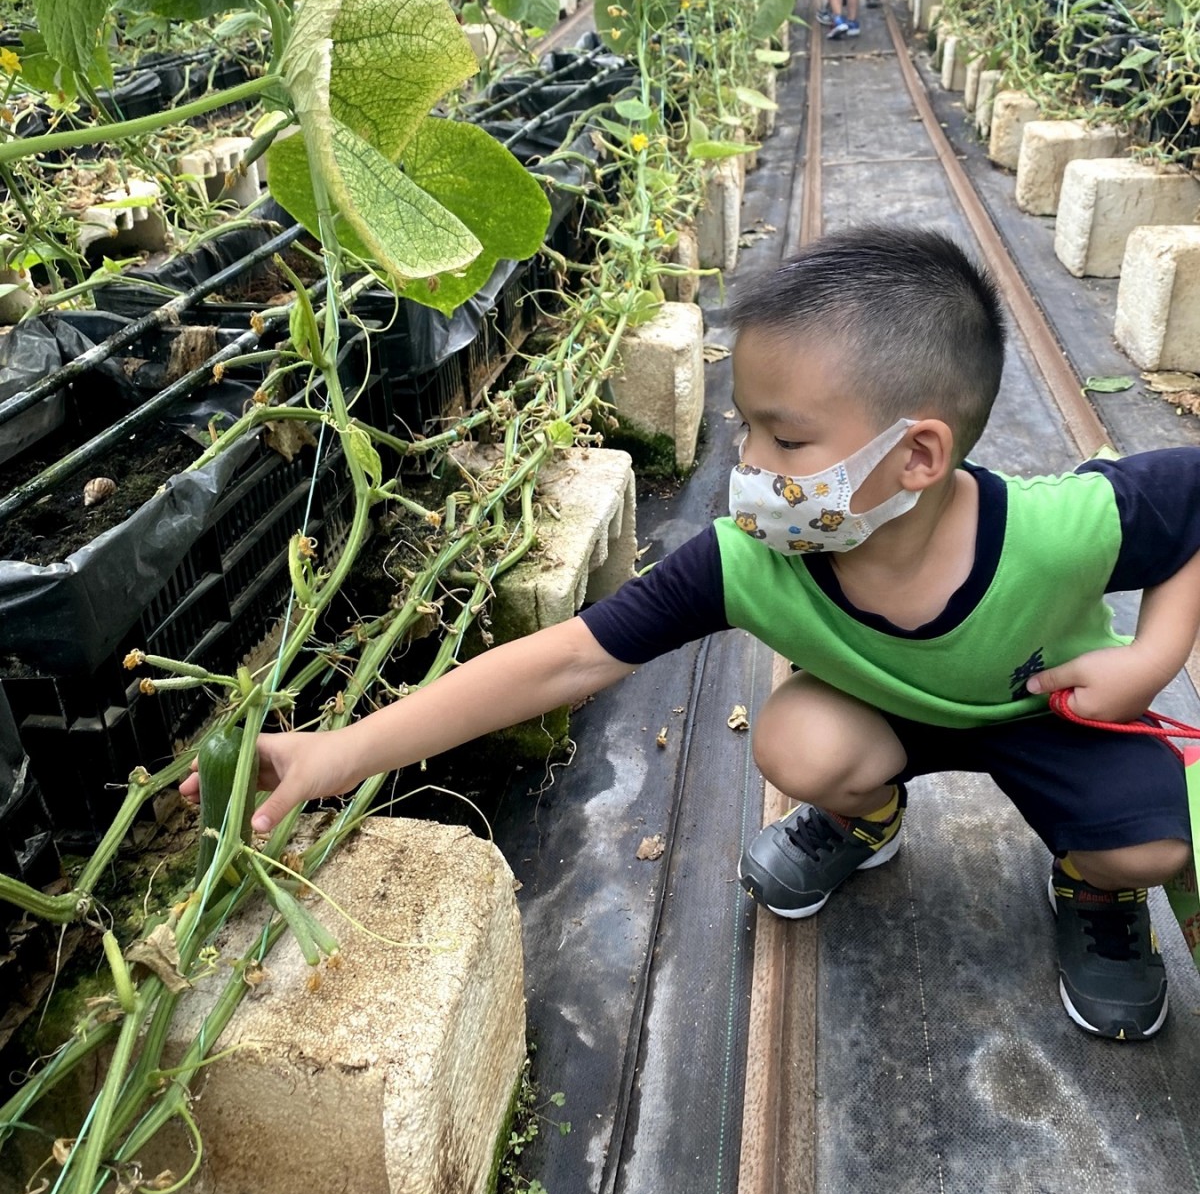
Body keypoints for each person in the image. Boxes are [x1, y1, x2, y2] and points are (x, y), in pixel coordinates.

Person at [184, 226, 1200, 1043]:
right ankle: (865, 816)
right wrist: (342, 752)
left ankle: (1090, 886)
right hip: (881, 716)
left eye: (784, 438)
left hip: (1049, 708)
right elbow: (568, 657)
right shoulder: (748, 560)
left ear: (919, 455)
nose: (748, 463)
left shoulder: (1058, 530)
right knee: (794, 744)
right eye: (745, 426)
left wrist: (1149, 660)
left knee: (1154, 844)